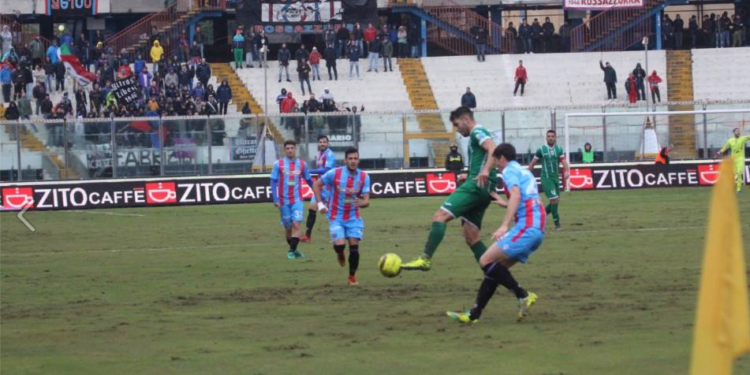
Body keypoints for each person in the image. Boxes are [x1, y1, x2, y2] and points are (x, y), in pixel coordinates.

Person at [446, 142, 541, 324]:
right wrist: (505, 203)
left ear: (502, 158)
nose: (495, 165)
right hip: (536, 227)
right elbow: (526, 198)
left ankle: (523, 295)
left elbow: (516, 195)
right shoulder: (524, 171)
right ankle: (474, 314)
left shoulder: (508, 171)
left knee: (485, 260)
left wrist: (504, 224)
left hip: (527, 227)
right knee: (496, 270)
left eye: (496, 161)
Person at [401, 106, 498, 271]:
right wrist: (470, 175)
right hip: (483, 187)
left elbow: (493, 149)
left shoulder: (477, 131)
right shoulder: (477, 134)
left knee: (440, 216)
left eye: (457, 124)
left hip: (477, 186)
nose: (457, 130)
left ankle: (425, 259)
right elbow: (484, 157)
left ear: (466, 119)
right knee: (471, 236)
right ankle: (501, 277)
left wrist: (485, 171)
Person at [313, 147, 371, 285]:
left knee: (354, 247)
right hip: (336, 218)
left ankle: (352, 277)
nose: (353, 161)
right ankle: (340, 253)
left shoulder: (364, 177)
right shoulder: (334, 173)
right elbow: (316, 184)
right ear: (345, 160)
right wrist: (320, 204)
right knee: (339, 246)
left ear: (359, 160)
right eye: (350, 159)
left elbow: (367, 201)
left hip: (353, 218)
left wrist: (363, 202)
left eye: (355, 158)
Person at [271, 140, 315, 260]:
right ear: (284, 150)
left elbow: (309, 180)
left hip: (297, 200)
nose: (290, 150)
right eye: (288, 148)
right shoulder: (278, 164)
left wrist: (317, 191)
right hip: (283, 201)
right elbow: (273, 181)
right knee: (288, 228)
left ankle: (291, 251)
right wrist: (275, 198)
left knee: (296, 224)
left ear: (295, 149)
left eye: (292, 148)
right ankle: (294, 249)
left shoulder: (302, 164)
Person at [527, 130, 569, 231]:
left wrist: (566, 171)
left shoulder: (559, 149)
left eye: (552, 136)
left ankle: (538, 217)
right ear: (546, 138)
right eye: (549, 136)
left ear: (555, 138)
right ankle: (557, 224)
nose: (550, 138)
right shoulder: (541, 149)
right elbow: (533, 163)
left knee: (555, 201)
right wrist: (526, 174)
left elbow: (563, 161)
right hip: (546, 178)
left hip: (555, 178)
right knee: (554, 199)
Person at [302, 135, 338, 243]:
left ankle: (339, 234)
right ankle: (307, 236)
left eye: (324, 142)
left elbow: (327, 170)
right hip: (320, 187)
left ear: (328, 143)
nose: (322, 143)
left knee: (332, 213)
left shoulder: (330, 154)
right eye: (320, 142)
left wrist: (310, 171)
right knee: (312, 209)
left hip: (329, 188)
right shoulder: (319, 154)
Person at [716, 128, 749, 192]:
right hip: (733, 158)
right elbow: (725, 147)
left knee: (739, 172)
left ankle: (738, 188)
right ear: (734, 132)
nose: (738, 132)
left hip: (740, 157)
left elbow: (748, 137)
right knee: (733, 173)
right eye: (737, 131)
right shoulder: (730, 140)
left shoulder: (742, 138)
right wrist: (719, 152)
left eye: (739, 131)